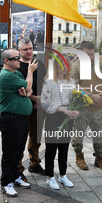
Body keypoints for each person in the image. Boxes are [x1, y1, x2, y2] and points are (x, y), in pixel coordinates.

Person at [0, 49, 37, 197]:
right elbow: (27, 86)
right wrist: (31, 72)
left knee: (18, 152)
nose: (18, 60)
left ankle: (15, 177)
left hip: (21, 120)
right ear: (7, 61)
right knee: (9, 152)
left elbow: (29, 90)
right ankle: (6, 182)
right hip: (10, 120)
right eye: (15, 58)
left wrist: (26, 92)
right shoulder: (6, 75)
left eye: (18, 57)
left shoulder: (17, 73)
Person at [71, 41, 102, 171]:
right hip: (83, 108)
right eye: (87, 55)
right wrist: (92, 96)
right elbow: (75, 86)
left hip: (99, 107)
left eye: (92, 54)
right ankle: (79, 157)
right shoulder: (76, 66)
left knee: (99, 134)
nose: (90, 57)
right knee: (78, 134)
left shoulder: (100, 65)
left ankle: (99, 159)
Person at [41, 55, 79, 190]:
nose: (64, 67)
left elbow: (75, 99)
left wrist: (76, 110)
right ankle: (50, 177)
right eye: (61, 64)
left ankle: (63, 175)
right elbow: (44, 102)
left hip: (68, 119)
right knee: (51, 148)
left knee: (64, 147)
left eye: (66, 64)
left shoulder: (71, 81)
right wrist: (61, 109)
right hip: (54, 117)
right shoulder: (49, 81)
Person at [17, 37, 47, 179]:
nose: (29, 51)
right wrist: (35, 99)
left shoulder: (39, 63)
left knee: (36, 137)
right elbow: (20, 89)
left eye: (30, 48)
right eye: (25, 49)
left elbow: (45, 81)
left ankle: (34, 163)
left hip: (39, 108)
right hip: (23, 108)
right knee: (21, 137)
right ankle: (18, 168)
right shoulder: (16, 66)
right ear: (19, 51)